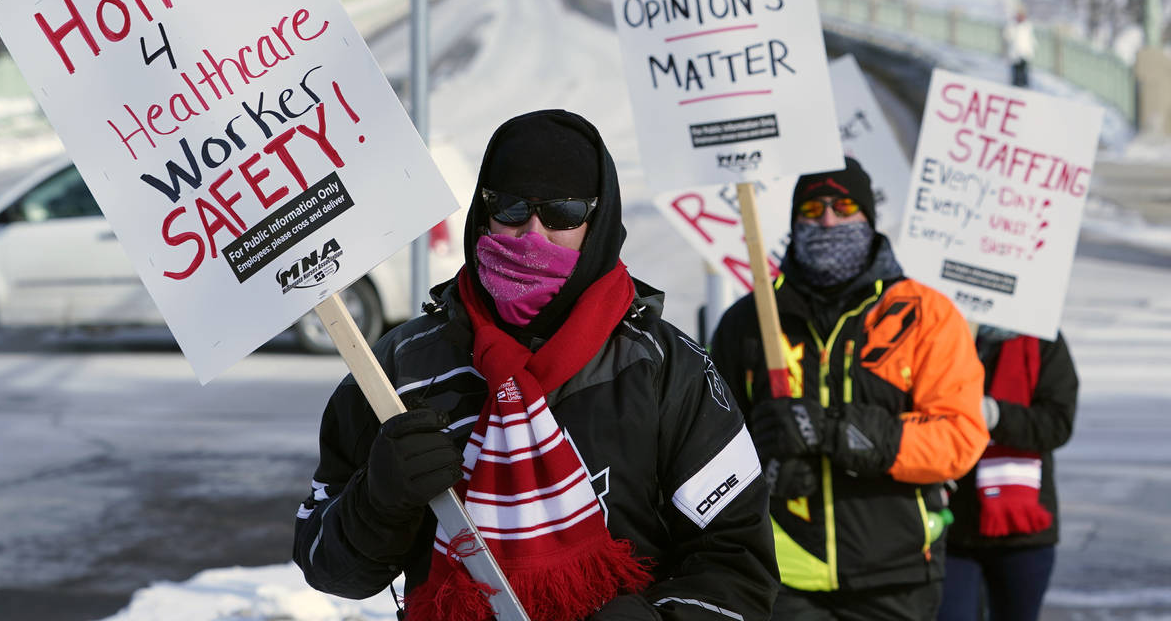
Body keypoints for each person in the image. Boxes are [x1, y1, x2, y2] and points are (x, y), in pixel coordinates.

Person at [293, 109, 780, 621]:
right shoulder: (399, 368)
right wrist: (378, 500)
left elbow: (738, 563)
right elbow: (325, 567)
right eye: (510, 206)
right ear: (482, 214)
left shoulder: (665, 368)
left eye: (563, 212)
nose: (533, 232)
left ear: (600, 220)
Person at [709, 156, 989, 620]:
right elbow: (709, 444)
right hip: (782, 577)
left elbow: (959, 437)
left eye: (843, 206)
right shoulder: (751, 320)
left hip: (894, 576)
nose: (829, 220)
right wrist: (763, 468)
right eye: (812, 210)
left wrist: (835, 431)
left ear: (868, 217)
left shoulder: (924, 315)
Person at [937, 326, 1078, 621]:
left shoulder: (1042, 338)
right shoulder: (943, 331)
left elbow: (1057, 423)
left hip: (1022, 530)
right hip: (952, 526)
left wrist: (995, 414)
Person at [1003, 8, 1035, 88]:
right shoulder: (1012, 25)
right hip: (1015, 54)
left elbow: (1031, 40)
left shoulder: (1028, 26)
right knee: (1015, 76)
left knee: (1024, 76)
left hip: (1025, 53)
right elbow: (1007, 37)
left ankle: (1024, 90)